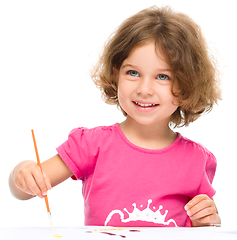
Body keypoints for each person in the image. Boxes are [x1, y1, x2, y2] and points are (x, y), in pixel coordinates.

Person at [9, 6, 221, 227]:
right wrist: (22, 173)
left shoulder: (196, 160)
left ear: (187, 84)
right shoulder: (91, 146)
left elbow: (205, 226)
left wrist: (209, 221)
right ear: (116, 74)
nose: (144, 89)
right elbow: (23, 191)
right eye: (133, 73)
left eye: (162, 76)